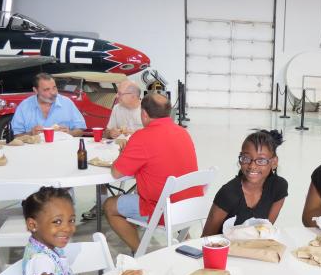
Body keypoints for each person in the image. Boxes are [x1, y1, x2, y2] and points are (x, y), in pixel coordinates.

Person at [21, 186, 141, 275]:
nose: (67, 228)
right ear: (33, 225)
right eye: (57, 221)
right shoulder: (40, 259)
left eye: (71, 220)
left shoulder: (49, 246)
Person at [103, 92, 202, 253]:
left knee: (109, 206)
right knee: (143, 189)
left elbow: (116, 172)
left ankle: (141, 251)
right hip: (190, 205)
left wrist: (123, 153)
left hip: (162, 210)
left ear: (144, 114)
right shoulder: (183, 132)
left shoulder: (142, 137)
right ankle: (185, 236)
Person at [202, 130, 287, 236]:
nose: (252, 166)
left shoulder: (278, 187)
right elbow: (206, 238)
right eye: (246, 158)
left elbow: (265, 231)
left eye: (261, 160)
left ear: (274, 162)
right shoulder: (228, 193)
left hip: (255, 248)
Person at [81, 80, 142, 221]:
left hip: (138, 153)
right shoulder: (117, 108)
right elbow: (107, 133)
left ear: (133, 96)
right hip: (117, 150)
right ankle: (101, 202)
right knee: (97, 160)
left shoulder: (145, 110)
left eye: (120, 94)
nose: (116, 96)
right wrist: (110, 133)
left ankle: (137, 207)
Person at [11, 73, 86, 137]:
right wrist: (31, 133)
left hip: (61, 150)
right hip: (34, 151)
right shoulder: (24, 106)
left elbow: (80, 129)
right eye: (47, 89)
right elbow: (15, 135)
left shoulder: (67, 103)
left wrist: (70, 133)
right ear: (35, 90)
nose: (53, 92)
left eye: (54, 88)